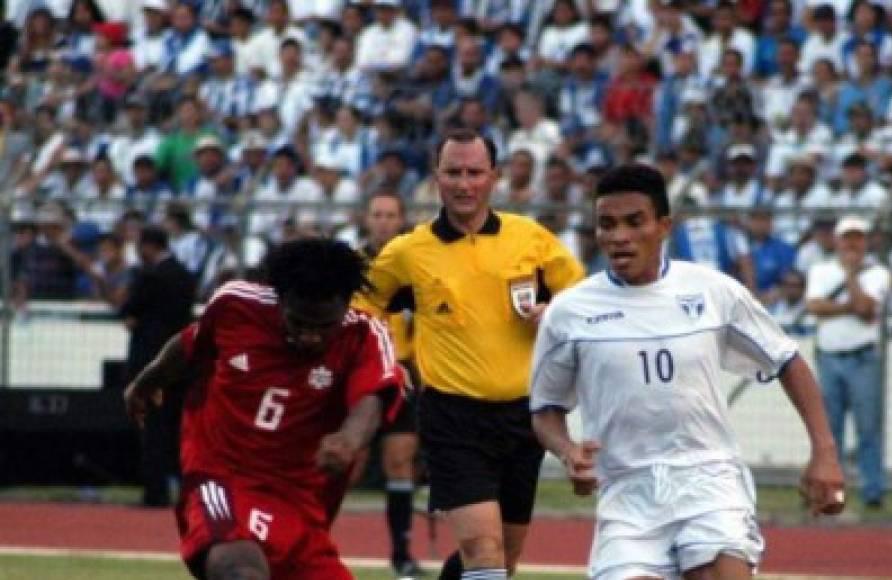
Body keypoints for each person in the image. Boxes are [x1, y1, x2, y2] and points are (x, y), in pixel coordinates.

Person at [530, 164, 844, 580]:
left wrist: (824, 453)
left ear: (664, 226)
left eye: (633, 222)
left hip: (709, 479)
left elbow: (787, 359)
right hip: (628, 492)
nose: (618, 236)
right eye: (606, 224)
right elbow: (545, 408)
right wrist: (568, 451)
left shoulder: (714, 291)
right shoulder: (569, 311)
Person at [357, 128, 584, 579]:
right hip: (452, 418)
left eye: (474, 173)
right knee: (484, 551)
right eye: (453, 172)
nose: (464, 184)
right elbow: (362, 306)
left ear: (494, 178)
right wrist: (387, 361)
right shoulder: (408, 251)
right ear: (436, 178)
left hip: (525, 417)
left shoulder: (530, 238)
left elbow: (583, 295)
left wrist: (554, 310)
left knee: (503, 562)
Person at [123, 239, 405, 579]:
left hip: (300, 501)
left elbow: (372, 396)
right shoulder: (235, 305)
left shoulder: (366, 335)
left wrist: (349, 438)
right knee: (240, 570)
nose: (310, 338)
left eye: (323, 327)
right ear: (280, 299)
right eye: (299, 323)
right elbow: (190, 343)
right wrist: (147, 381)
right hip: (221, 474)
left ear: (346, 305)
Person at [806, 215, 891, 508]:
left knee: (868, 427)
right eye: (848, 238)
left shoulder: (877, 272)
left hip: (862, 355)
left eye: (858, 238)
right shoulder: (820, 269)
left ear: (865, 242)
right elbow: (814, 306)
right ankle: (833, 493)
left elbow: (867, 309)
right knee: (831, 431)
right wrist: (848, 306)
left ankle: (873, 492)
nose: (852, 244)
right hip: (830, 356)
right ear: (838, 241)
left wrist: (851, 275)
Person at [361, 191, 422, 577]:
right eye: (377, 214)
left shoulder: (415, 263)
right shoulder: (351, 265)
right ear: (367, 219)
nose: (383, 221)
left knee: (400, 462)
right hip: (359, 371)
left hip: (401, 371)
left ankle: (401, 555)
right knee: (340, 464)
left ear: (401, 220)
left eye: (390, 214)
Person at [120, 225, 197, 507]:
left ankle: (156, 492)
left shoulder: (149, 276)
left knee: (153, 429)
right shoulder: (185, 276)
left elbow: (128, 310)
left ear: (148, 246)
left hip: (151, 362)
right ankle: (187, 490)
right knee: (180, 428)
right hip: (183, 363)